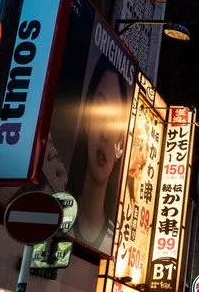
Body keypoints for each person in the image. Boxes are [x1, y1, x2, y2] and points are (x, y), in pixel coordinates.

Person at [66, 57, 129, 254]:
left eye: (115, 120)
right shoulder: (56, 211)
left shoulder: (121, 244)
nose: (105, 134)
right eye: (100, 113)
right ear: (86, 121)